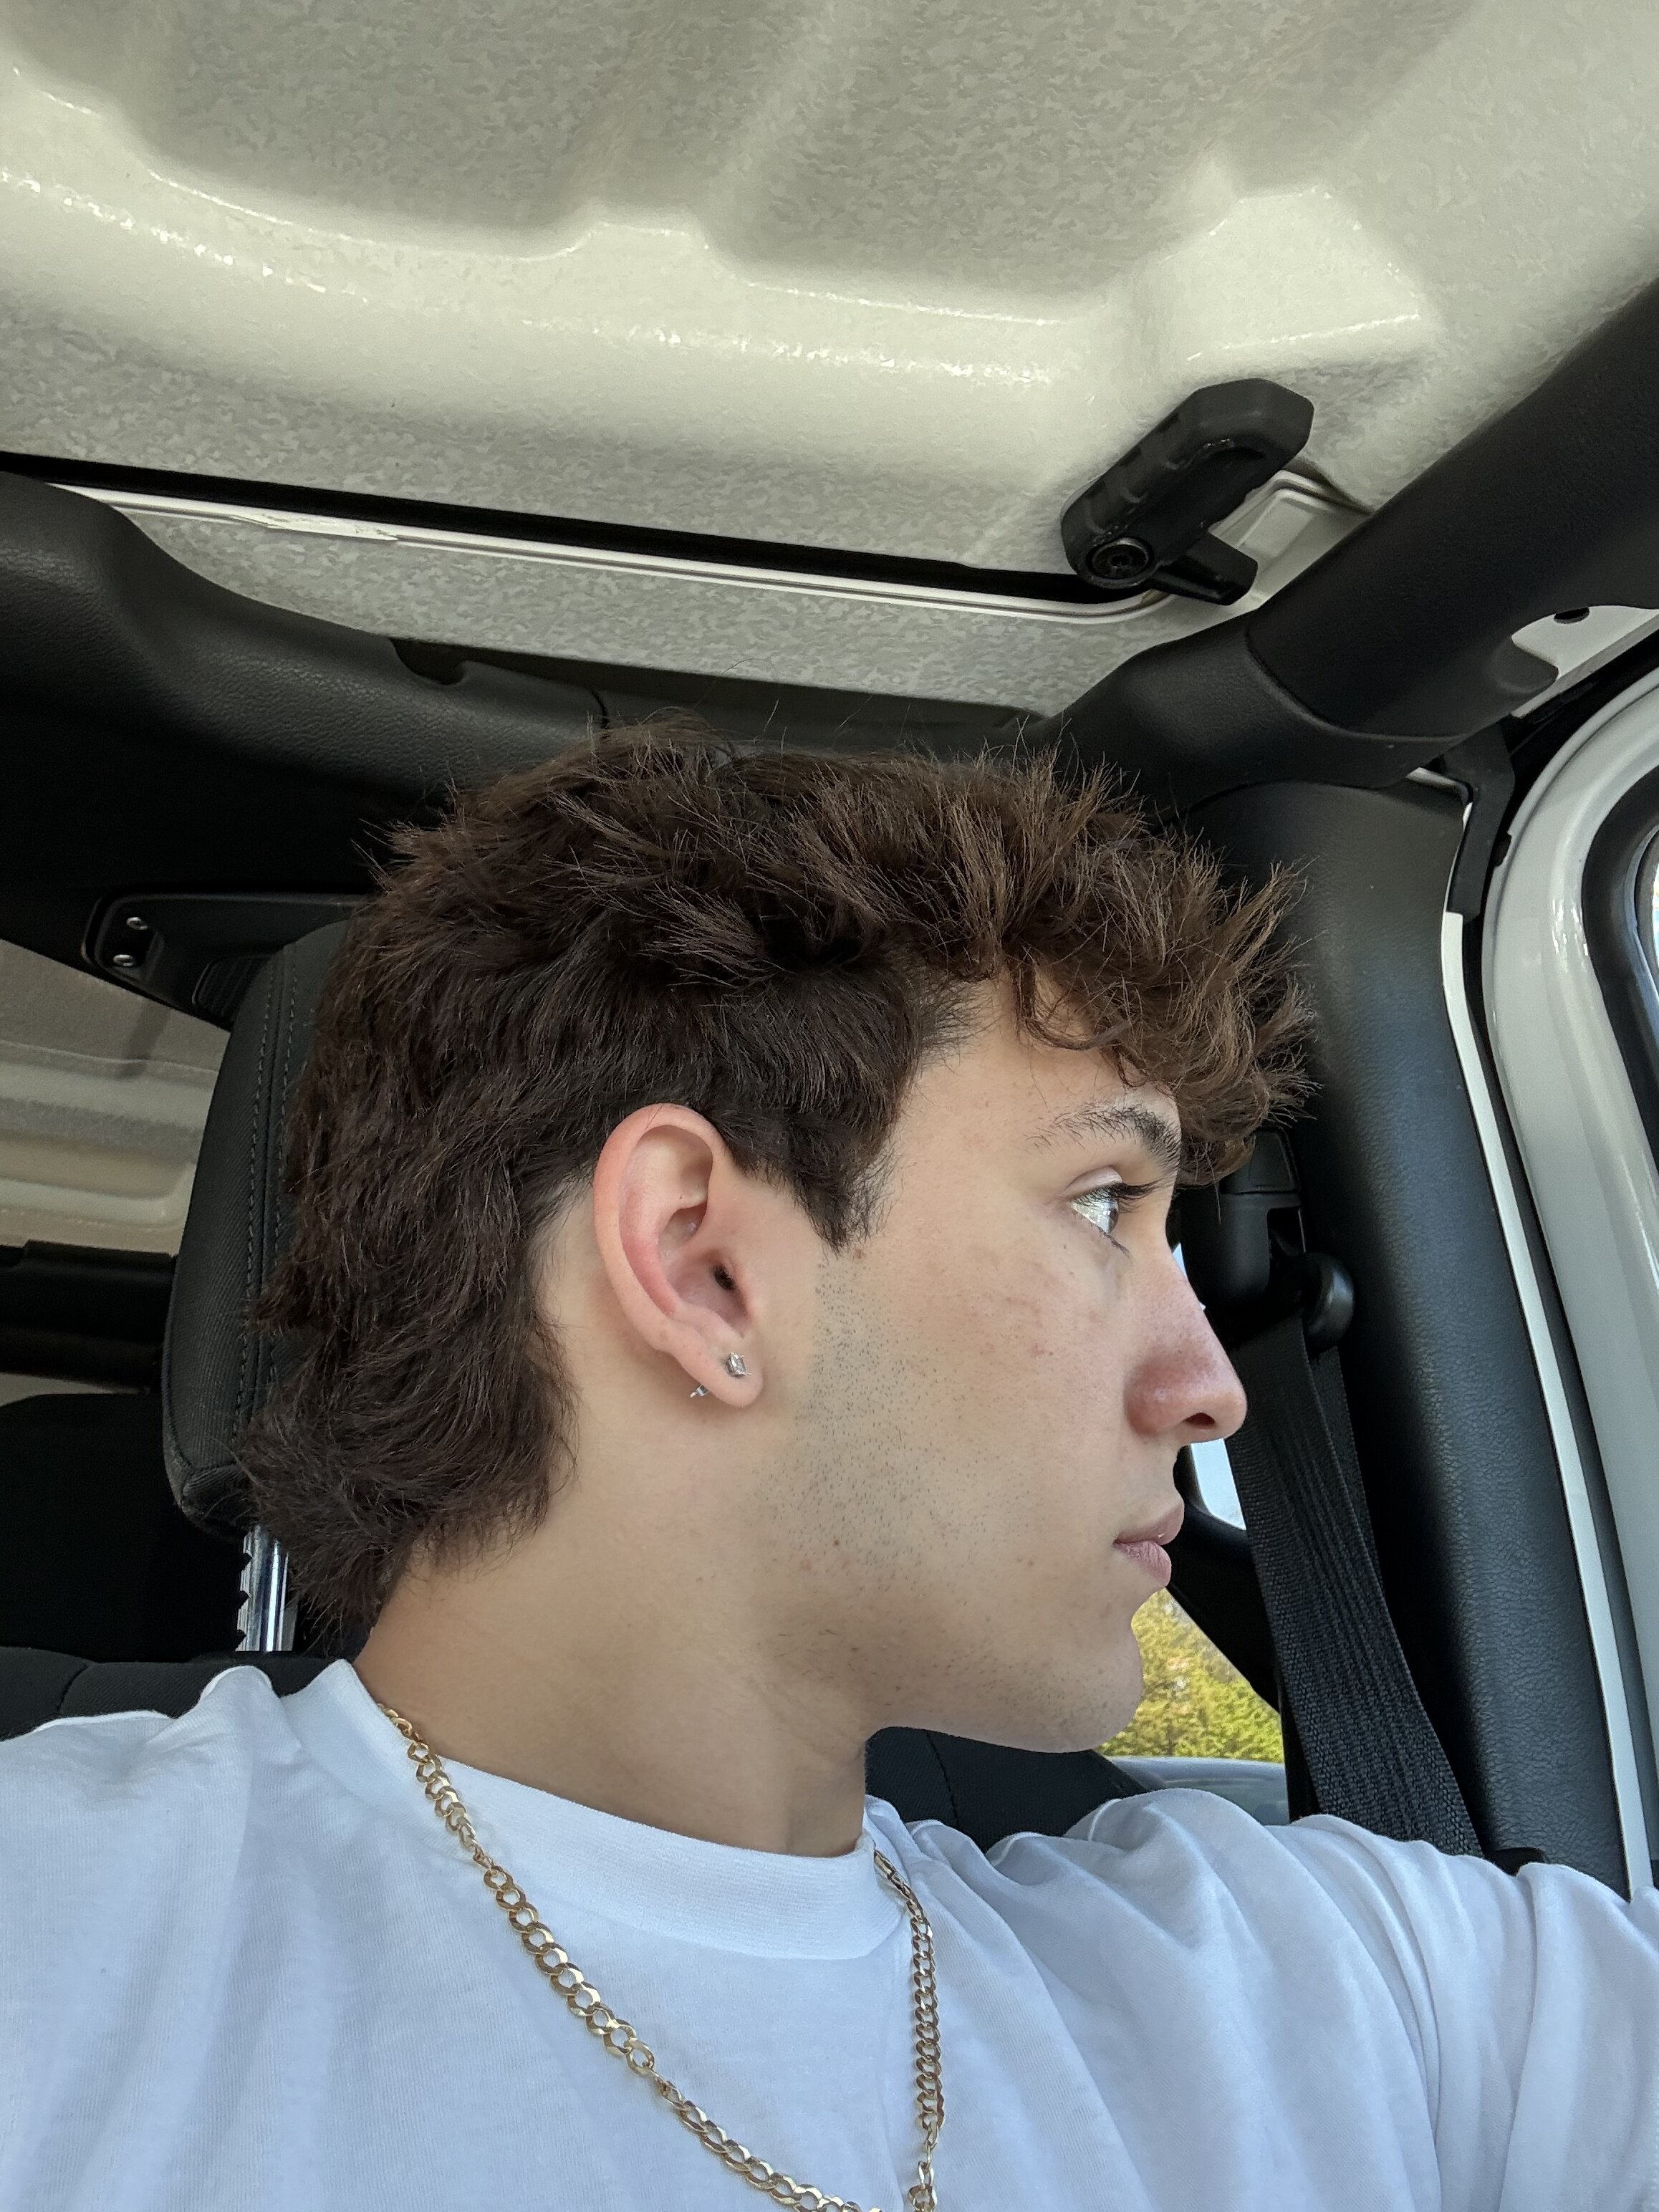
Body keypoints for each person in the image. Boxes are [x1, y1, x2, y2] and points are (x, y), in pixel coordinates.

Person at [1, 728, 1655, 2212]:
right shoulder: (48, 1947)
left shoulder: (1367, 1983)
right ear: (704, 1262)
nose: (1212, 1389)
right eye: (1103, 1206)